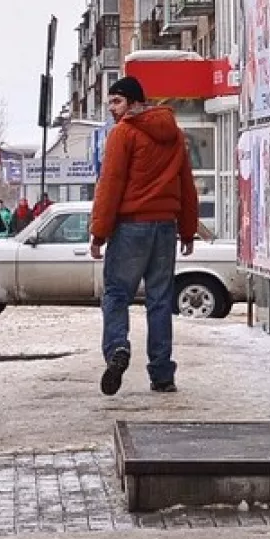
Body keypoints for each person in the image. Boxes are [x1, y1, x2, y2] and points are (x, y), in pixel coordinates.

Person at [90, 76, 199, 396]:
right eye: (110, 102)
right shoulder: (174, 135)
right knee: (161, 300)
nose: (112, 109)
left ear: (134, 102)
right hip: (165, 228)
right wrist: (188, 229)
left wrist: (99, 233)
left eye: (117, 102)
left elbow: (110, 185)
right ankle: (162, 374)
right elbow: (186, 184)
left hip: (130, 227)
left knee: (115, 294)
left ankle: (117, 349)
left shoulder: (123, 133)